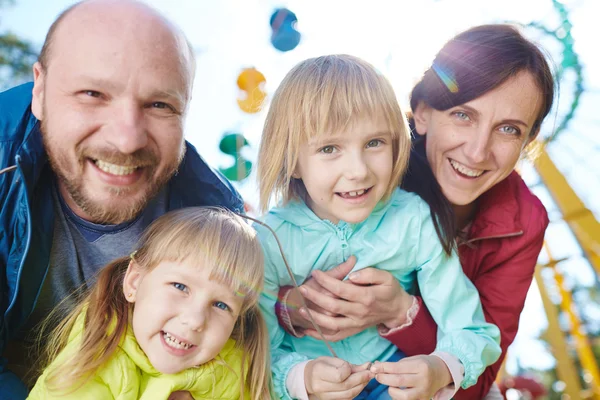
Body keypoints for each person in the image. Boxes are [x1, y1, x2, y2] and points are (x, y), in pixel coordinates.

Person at [276, 24, 555, 399]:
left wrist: (399, 312)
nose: (477, 152)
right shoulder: (363, 173)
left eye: (508, 129)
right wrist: (290, 308)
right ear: (422, 113)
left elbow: (479, 377)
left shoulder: (524, 222)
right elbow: (270, 272)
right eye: (463, 115)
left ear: (527, 141)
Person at [0, 1, 243, 398]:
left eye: (159, 105)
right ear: (40, 90)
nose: (127, 138)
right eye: (93, 93)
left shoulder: (219, 217)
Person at [255, 54, 501, 400]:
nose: (358, 170)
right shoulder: (269, 239)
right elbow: (257, 348)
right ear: (292, 162)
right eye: (329, 148)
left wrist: (440, 367)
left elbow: (472, 329)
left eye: (374, 143)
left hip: (396, 381)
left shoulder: (412, 219)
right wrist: (301, 378)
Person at [28, 207, 271, 400]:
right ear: (134, 282)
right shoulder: (94, 360)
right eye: (180, 286)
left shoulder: (234, 371)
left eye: (221, 305)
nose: (196, 320)